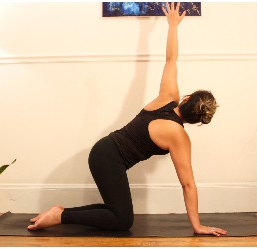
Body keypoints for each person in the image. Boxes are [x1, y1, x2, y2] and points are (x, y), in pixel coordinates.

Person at [26, 2, 226, 236]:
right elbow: (188, 185)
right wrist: (197, 226)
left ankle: (60, 212)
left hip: (104, 152)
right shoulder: (180, 137)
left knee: (118, 212)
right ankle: (60, 216)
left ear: (186, 98)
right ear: (198, 121)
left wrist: (172, 26)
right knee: (122, 220)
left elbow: (171, 59)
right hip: (108, 158)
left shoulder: (167, 97)